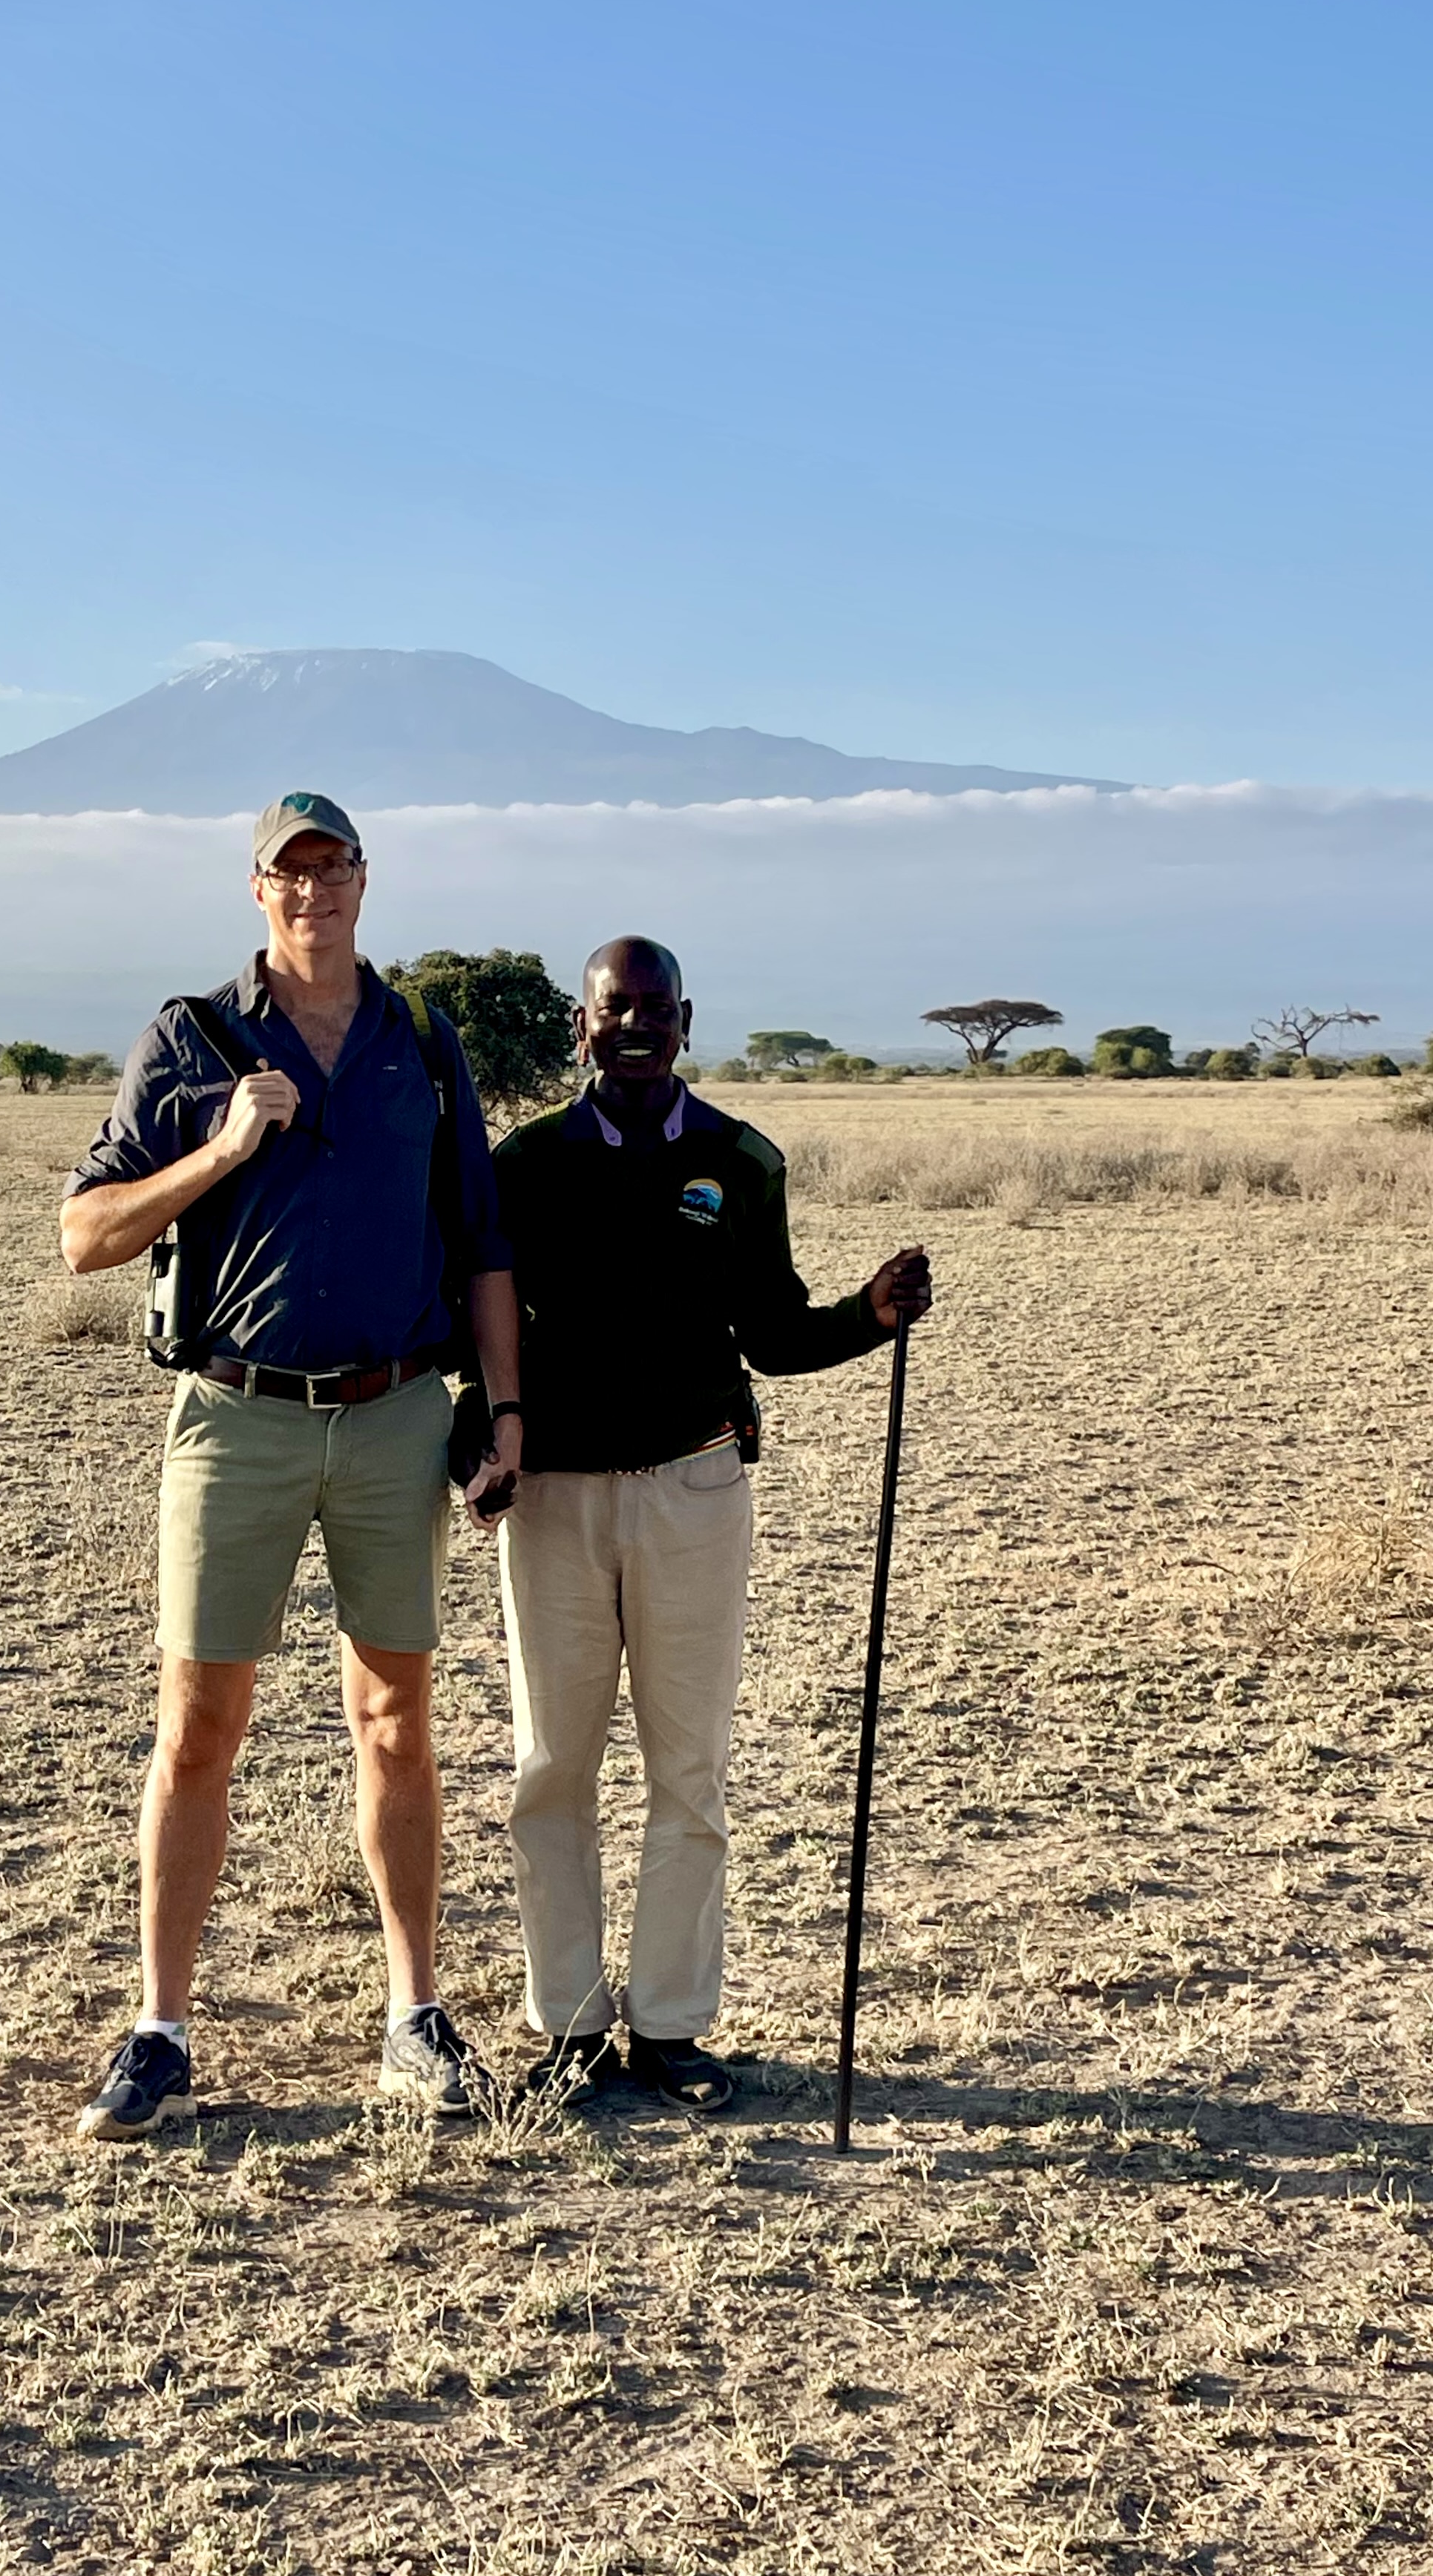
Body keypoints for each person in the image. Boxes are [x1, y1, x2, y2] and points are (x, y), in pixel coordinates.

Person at [59, 794, 522, 2140]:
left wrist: (504, 1418)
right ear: (255, 890)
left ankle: (415, 2019)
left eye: (334, 867)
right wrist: (220, 1148)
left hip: (393, 1417)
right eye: (289, 870)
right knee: (199, 1728)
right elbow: (84, 1233)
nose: (313, 890)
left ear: (367, 881)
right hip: (238, 1417)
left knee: (398, 1723)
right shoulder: (194, 1039)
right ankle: (160, 2029)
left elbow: (482, 1244)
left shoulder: (423, 1043)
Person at [491, 936, 931, 2107]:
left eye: (652, 1007)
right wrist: (479, 1437)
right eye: (609, 1008)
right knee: (552, 1769)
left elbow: (773, 1333)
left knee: (691, 1772)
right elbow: (481, 1326)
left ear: (685, 1019)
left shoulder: (743, 1162)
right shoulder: (524, 1164)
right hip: (554, 1503)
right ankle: (571, 2027)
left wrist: (869, 1315)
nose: (632, 1025)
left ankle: (673, 2027)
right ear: (580, 1028)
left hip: (695, 1490)